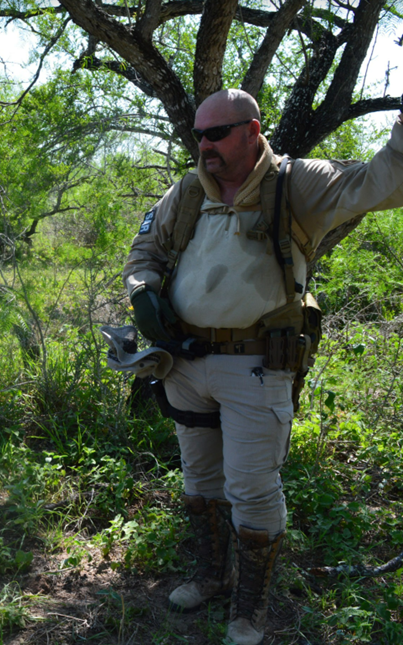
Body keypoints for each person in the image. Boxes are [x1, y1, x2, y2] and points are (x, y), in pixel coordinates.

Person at [125, 89, 403, 645]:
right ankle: (210, 576)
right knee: (200, 481)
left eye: (216, 134)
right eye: (198, 135)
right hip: (184, 363)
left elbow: (383, 182)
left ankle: (250, 609)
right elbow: (143, 254)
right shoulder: (185, 192)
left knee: (251, 487)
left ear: (252, 132)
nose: (203, 145)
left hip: (256, 367)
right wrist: (144, 294)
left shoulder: (297, 184)